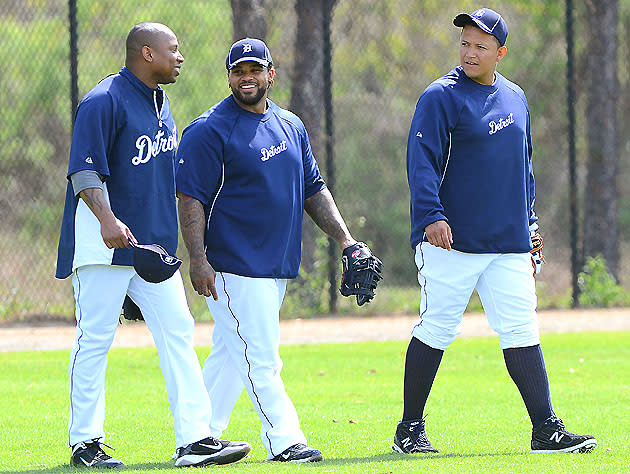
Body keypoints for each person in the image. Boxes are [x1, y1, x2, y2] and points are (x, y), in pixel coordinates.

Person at [393, 8, 597, 455]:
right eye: (465, 43)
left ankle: (545, 430)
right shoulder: (439, 96)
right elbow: (420, 161)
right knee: (438, 327)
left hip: (508, 241)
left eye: (480, 46)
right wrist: (431, 215)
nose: (469, 52)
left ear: (500, 52)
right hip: (451, 241)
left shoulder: (516, 97)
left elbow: (524, 169)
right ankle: (409, 429)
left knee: (522, 329)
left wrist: (531, 227)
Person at [55, 22, 251, 468]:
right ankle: (85, 443)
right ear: (147, 53)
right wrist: (106, 219)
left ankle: (196, 440)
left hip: (153, 249)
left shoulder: (162, 103)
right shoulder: (103, 101)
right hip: (102, 247)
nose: (179, 57)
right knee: (95, 340)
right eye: (173, 50)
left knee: (179, 333)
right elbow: (84, 172)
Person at [175, 38, 376, 463]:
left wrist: (346, 240)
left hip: (276, 264)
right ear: (228, 76)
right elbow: (190, 197)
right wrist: (198, 258)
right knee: (260, 356)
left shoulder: (290, 125)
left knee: (233, 353)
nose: (246, 77)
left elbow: (314, 189)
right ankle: (285, 440)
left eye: (255, 69)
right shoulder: (209, 129)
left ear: (271, 74)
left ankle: (198, 437)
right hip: (234, 264)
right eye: (238, 70)